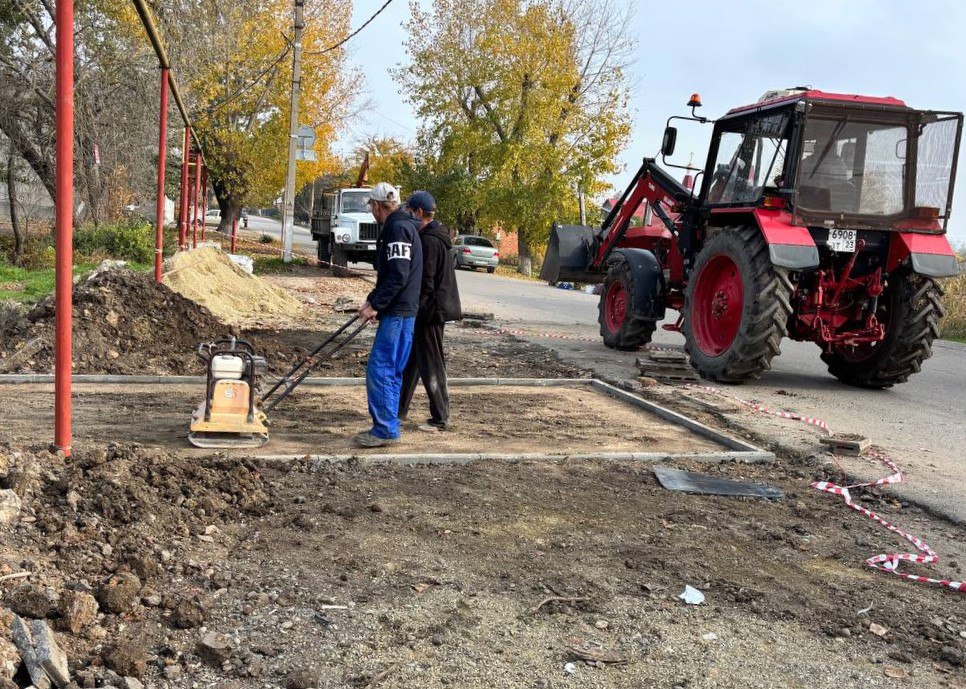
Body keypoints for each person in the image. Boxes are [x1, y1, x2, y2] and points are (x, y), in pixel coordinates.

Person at [354, 182, 423, 448]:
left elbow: (397, 275)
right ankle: (388, 425)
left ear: (379, 205)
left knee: (381, 369)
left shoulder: (396, 229)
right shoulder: (404, 226)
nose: (371, 211)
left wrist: (377, 305)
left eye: (372, 205)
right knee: (391, 370)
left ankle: (384, 430)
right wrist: (372, 301)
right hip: (403, 310)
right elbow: (393, 275)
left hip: (398, 312)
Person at [398, 191, 462, 431]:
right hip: (429, 310)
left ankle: (441, 417)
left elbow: (427, 282)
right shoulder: (434, 235)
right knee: (412, 362)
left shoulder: (429, 241)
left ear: (419, 212)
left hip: (430, 312)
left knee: (432, 364)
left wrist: (416, 309)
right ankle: (398, 410)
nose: (407, 214)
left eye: (409, 210)